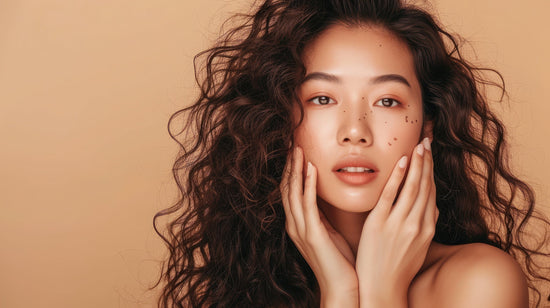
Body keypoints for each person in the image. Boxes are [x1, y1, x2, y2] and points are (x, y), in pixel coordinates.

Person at [153, 0, 550, 307]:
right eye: (323, 98)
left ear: (427, 123)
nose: (356, 131)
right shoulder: (250, 292)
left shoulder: (480, 281)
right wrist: (340, 291)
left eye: (388, 101)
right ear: (278, 117)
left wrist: (381, 294)